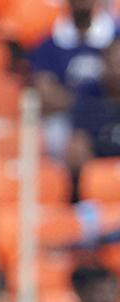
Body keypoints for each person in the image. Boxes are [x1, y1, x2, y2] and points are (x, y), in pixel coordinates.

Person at [28, 0, 120, 159]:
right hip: (72, 120)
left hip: (113, 112)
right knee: (58, 135)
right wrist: (86, 103)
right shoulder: (49, 44)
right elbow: (46, 96)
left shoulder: (115, 34)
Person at [67, 41, 120, 197]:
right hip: (98, 176)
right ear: (104, 64)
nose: (118, 71)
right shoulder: (89, 94)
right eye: (114, 64)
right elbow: (78, 148)